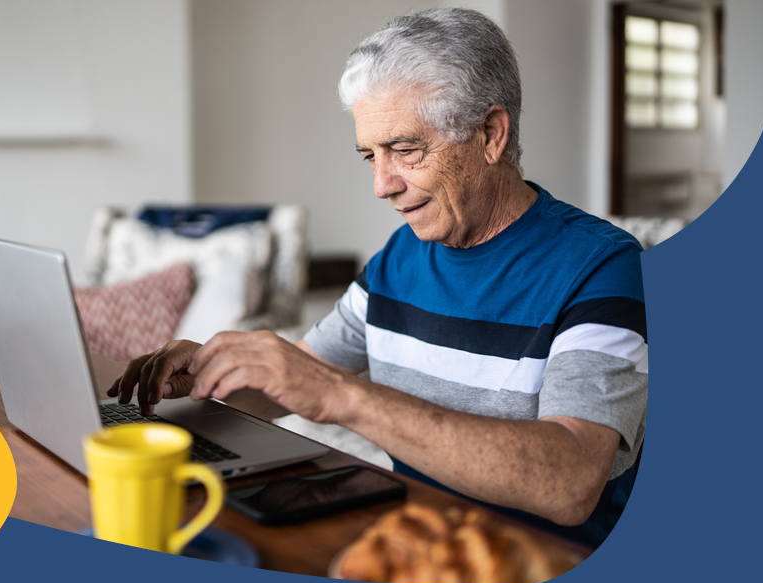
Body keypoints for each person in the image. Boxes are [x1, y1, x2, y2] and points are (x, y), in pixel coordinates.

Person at [107, 8, 645, 547]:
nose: (382, 185)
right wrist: (205, 371)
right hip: (410, 550)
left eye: (405, 151)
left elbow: (571, 482)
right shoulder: (399, 258)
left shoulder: (600, 264)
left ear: (490, 134)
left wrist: (346, 396)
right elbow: (298, 379)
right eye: (369, 155)